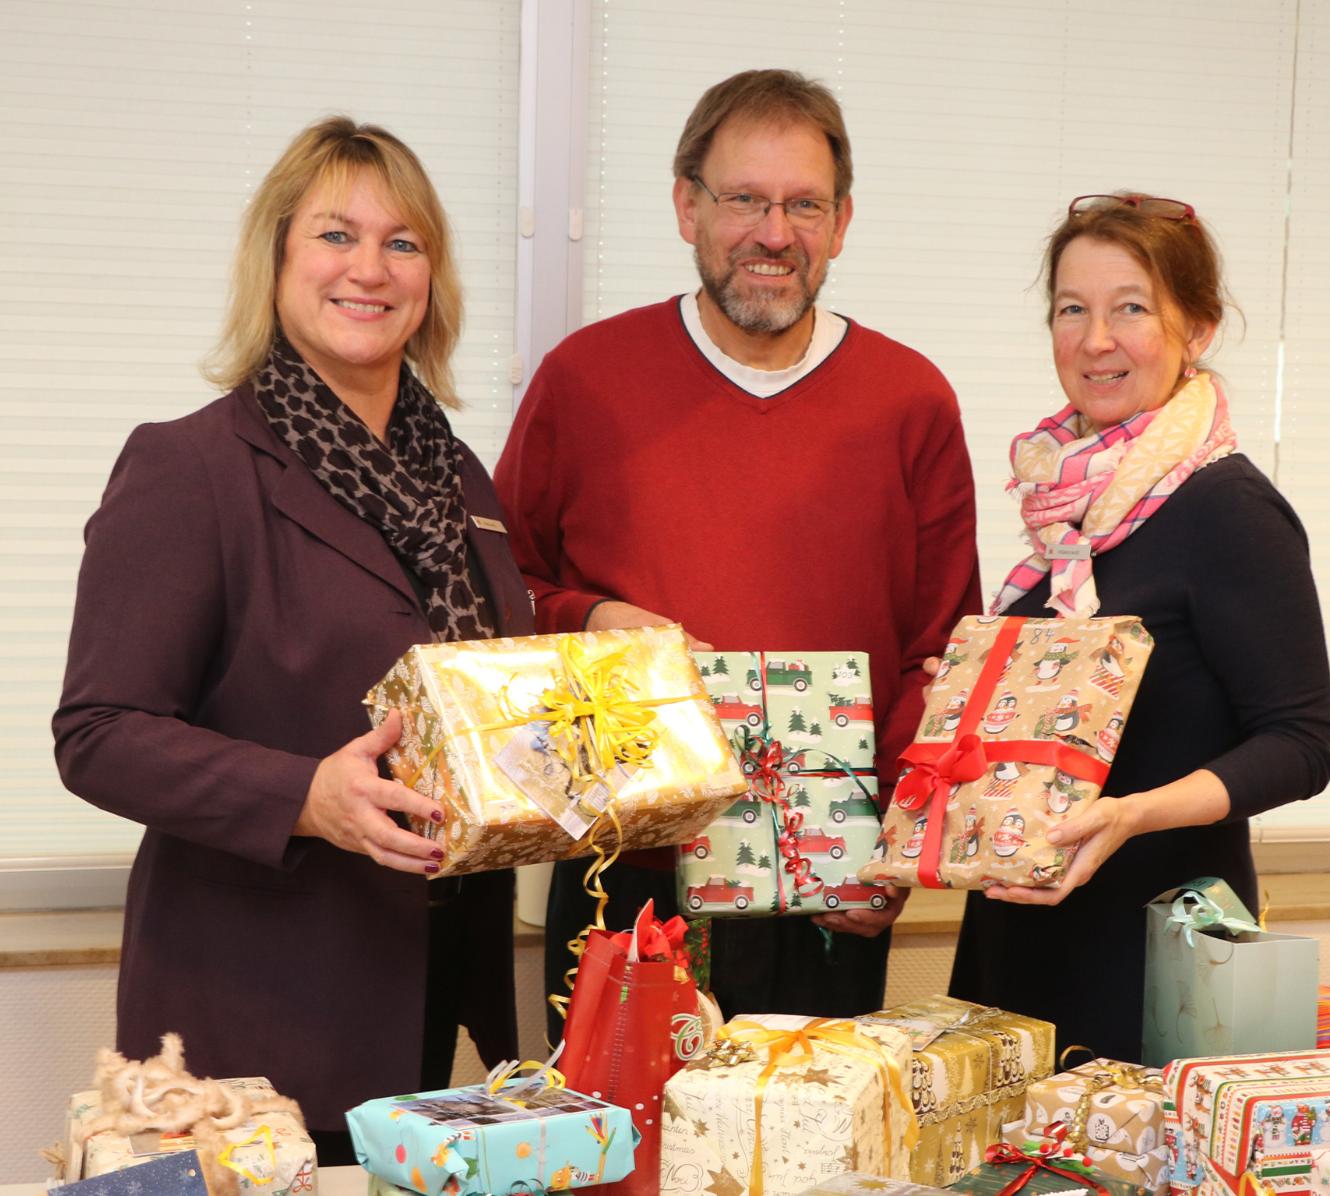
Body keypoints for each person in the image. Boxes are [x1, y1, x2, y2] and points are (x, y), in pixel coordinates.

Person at [53, 117, 532, 1162]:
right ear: (275, 259)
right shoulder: (192, 467)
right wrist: (303, 796)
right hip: (257, 1019)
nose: (369, 267)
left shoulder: (458, 477)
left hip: (434, 995)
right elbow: (97, 729)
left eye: (402, 242)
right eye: (334, 235)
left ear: (431, 278)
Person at [493, 69, 981, 1028]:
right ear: (686, 207)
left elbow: (944, 652)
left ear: (841, 222)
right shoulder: (586, 380)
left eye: (803, 204)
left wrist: (896, 839)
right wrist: (594, 617)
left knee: (818, 1162)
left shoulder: (908, 400)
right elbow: (501, 597)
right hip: (626, 877)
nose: (773, 232)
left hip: (830, 882)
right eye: (744, 200)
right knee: (620, 1165)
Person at [947, 192, 1330, 1061]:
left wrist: (1131, 815)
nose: (1095, 340)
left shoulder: (1227, 509)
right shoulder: (1061, 513)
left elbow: (1300, 744)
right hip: (1018, 940)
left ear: (1195, 327)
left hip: (1151, 951)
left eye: (1130, 308)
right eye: (1071, 310)